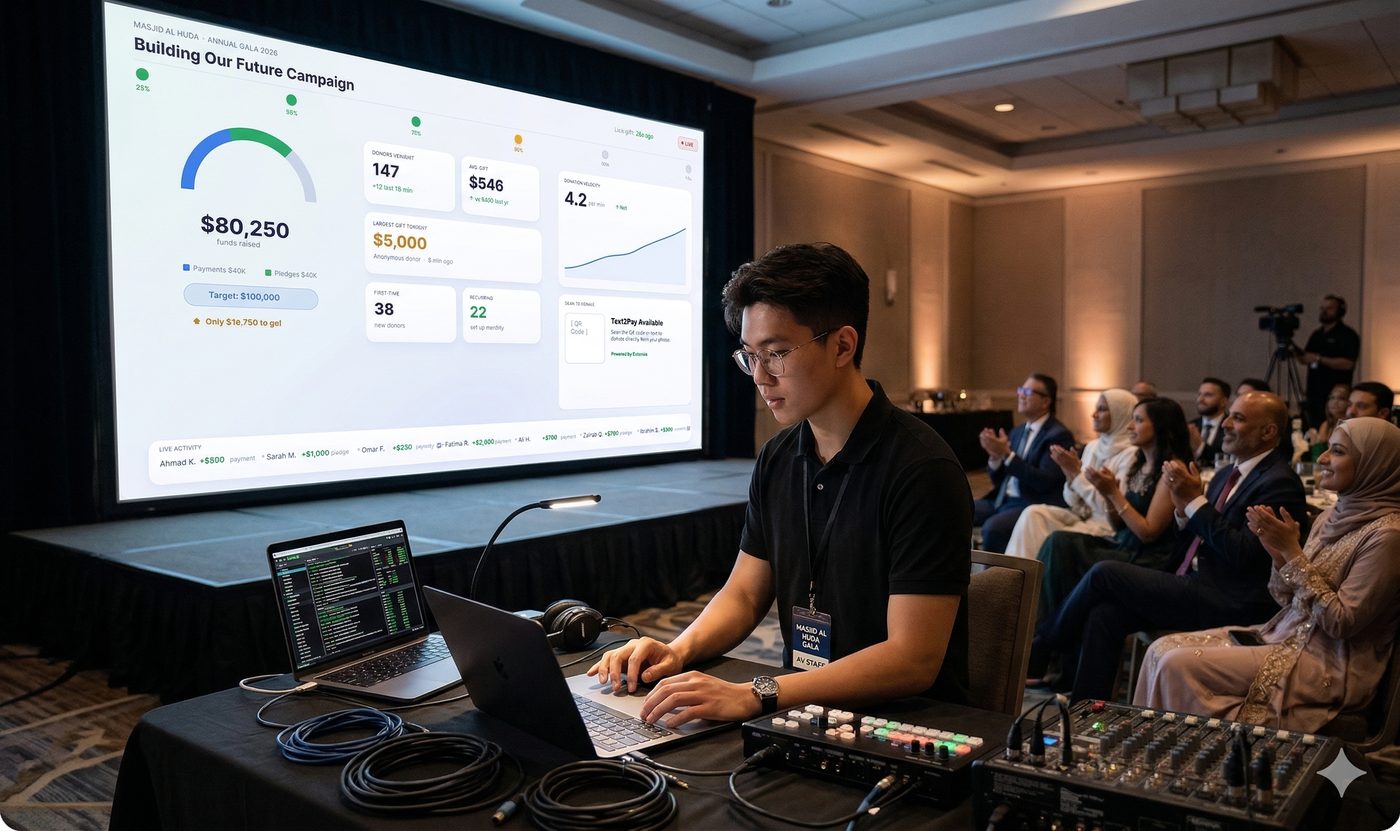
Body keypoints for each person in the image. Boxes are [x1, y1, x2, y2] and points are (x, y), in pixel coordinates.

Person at [589, 242, 972, 727]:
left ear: (842, 346)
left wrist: (759, 693)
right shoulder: (779, 457)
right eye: (749, 356)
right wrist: (677, 650)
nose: (760, 376)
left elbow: (911, 659)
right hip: (803, 713)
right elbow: (745, 594)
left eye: (775, 354)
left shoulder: (921, 469)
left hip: (903, 727)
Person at [1030, 392, 1307, 701]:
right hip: (1193, 581)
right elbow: (1197, 533)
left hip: (1231, 599)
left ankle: (1040, 647)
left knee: (1104, 573)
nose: (1226, 424)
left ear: (1268, 431)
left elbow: (1243, 555)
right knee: (1105, 613)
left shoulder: (1279, 482)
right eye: (1229, 415)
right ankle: (1087, 710)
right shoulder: (1226, 475)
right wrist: (1183, 512)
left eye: (1238, 418)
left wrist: (1195, 503)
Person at [1135, 418, 1400, 732]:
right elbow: (1285, 599)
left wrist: (1292, 553)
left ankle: (1187, 754)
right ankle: (1149, 751)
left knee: (1175, 664)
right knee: (1159, 650)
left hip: (1329, 662)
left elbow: (1340, 623)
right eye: (1328, 449)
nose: (1323, 459)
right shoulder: (1331, 515)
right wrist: (1278, 556)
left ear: (1375, 465)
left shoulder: (1387, 537)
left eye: (1338, 452)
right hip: (1284, 634)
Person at [1027, 398, 1194, 685]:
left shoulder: (1172, 469)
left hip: (1149, 557)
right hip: (1123, 543)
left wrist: (1114, 494)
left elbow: (1149, 532)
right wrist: (1108, 494)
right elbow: (1118, 523)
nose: (1130, 426)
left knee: (1073, 558)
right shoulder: (1140, 462)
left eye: (1139, 420)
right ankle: (1055, 653)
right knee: (1059, 544)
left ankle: (1045, 646)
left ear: (1161, 426)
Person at [1003, 389, 1137, 558]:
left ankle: (1036, 573)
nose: (1094, 414)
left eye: (1102, 409)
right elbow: (1072, 502)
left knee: (1056, 537)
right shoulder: (1093, 447)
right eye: (1096, 408)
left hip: (1104, 525)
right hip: (1081, 515)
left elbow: (1109, 508)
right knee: (1034, 514)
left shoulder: (1131, 454)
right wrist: (1070, 475)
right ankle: (1018, 572)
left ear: (1120, 414)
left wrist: (1077, 475)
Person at [973, 374, 1075, 553]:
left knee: (993, 528)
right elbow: (1000, 481)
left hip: (1029, 503)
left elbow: (1044, 481)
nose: (1021, 395)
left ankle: (999, 571)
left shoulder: (1058, 435)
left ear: (1046, 401)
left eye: (1028, 392)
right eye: (1021, 390)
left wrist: (1007, 454)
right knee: (957, 509)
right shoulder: (1018, 431)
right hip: (1002, 499)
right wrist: (995, 457)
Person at [1297, 295, 1360, 429]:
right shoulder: (1317, 334)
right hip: (1314, 393)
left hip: (1335, 393)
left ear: (1340, 311)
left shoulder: (1347, 335)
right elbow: (1305, 358)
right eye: (1322, 308)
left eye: (1329, 308)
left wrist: (1319, 359)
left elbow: (1348, 364)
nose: (1324, 311)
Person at [1189, 377, 1231, 469]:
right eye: (1199, 394)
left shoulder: (1231, 427)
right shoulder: (1191, 426)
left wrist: (1201, 446)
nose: (1200, 399)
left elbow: (1228, 458)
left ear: (1223, 402)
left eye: (1208, 395)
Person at [1305, 383, 1350, 461]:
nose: (1335, 402)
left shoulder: (1350, 426)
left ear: (1349, 402)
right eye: (1332, 398)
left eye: (1341, 398)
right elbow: (1317, 456)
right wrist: (1314, 443)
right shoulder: (1326, 425)